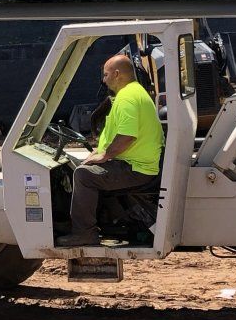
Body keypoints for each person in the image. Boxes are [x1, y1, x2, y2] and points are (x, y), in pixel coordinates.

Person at [59, 54, 164, 247]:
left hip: (136, 168)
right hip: (137, 164)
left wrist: (105, 156)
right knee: (84, 167)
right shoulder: (135, 92)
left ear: (117, 74)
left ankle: (84, 234)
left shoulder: (127, 98)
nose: (104, 80)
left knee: (83, 175)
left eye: (106, 75)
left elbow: (127, 136)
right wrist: (98, 152)